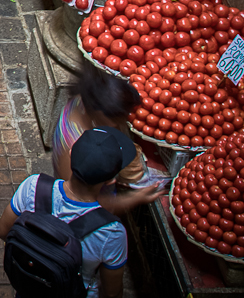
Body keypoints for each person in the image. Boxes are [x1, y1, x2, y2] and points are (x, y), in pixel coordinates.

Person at [0, 128, 131, 298]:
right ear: (111, 180)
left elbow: (3, 231)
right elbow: (111, 293)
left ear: (70, 156)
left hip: (32, 291)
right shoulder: (111, 232)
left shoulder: (33, 187)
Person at [54, 67, 163, 215]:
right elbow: (78, 200)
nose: (118, 124)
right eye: (116, 119)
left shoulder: (85, 101)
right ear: (99, 113)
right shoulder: (73, 144)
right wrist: (133, 198)